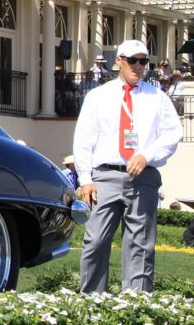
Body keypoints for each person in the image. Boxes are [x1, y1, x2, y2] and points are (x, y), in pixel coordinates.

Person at [73, 39, 182, 293]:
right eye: (133, 60)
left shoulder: (158, 98)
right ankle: (91, 303)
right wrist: (85, 179)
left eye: (144, 61)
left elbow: (171, 134)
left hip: (143, 177)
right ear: (119, 62)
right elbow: (84, 139)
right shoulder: (98, 96)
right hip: (105, 176)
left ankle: (136, 306)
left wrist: (147, 155)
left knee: (140, 245)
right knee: (95, 241)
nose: (139, 66)